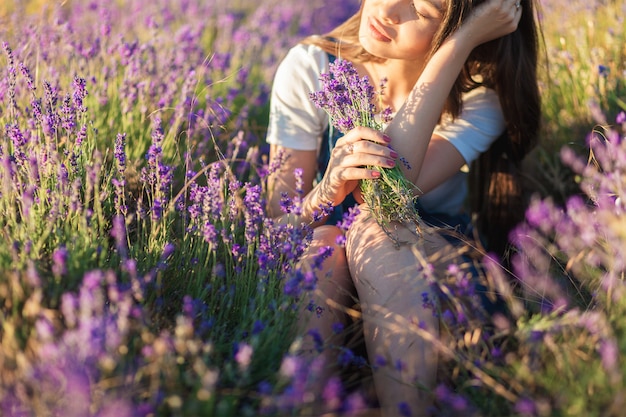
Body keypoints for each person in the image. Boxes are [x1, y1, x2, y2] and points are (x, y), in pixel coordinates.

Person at [265, 0, 541, 415]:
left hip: (430, 290)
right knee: (323, 242)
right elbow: (273, 227)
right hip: (327, 290)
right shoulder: (310, 67)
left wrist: (456, 46)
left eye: (423, 10)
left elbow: (394, 188)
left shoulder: (478, 98)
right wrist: (327, 190)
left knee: (377, 228)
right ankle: (301, 404)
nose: (390, 8)